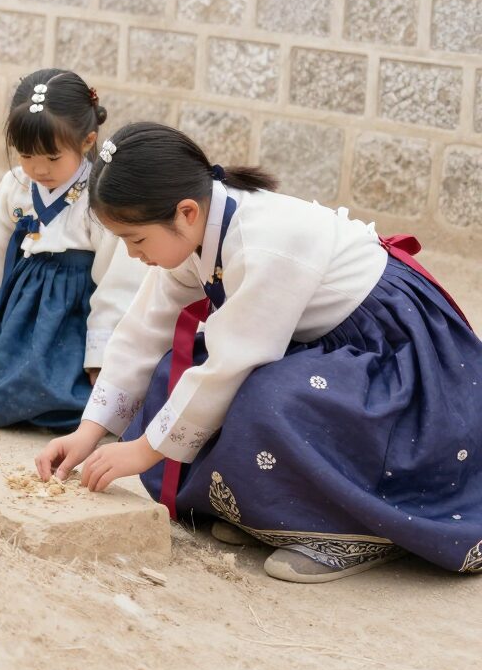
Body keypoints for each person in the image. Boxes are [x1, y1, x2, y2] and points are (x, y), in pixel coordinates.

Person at [36, 122, 482, 582]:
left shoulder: (262, 240)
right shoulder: (198, 225)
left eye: (136, 240)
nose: (133, 255)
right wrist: (89, 431)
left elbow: (235, 363)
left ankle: (352, 533)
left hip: (392, 354)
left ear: (185, 212)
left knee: (263, 398)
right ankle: (276, 517)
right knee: (178, 369)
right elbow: (145, 329)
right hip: (322, 343)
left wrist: (145, 449)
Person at [0, 69, 143, 430]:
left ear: (87, 140)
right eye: (27, 156)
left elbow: (116, 281)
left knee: (69, 400)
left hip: (73, 315)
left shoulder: (100, 199)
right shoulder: (13, 186)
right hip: (16, 310)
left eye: (52, 157)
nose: (38, 168)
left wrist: (100, 356)